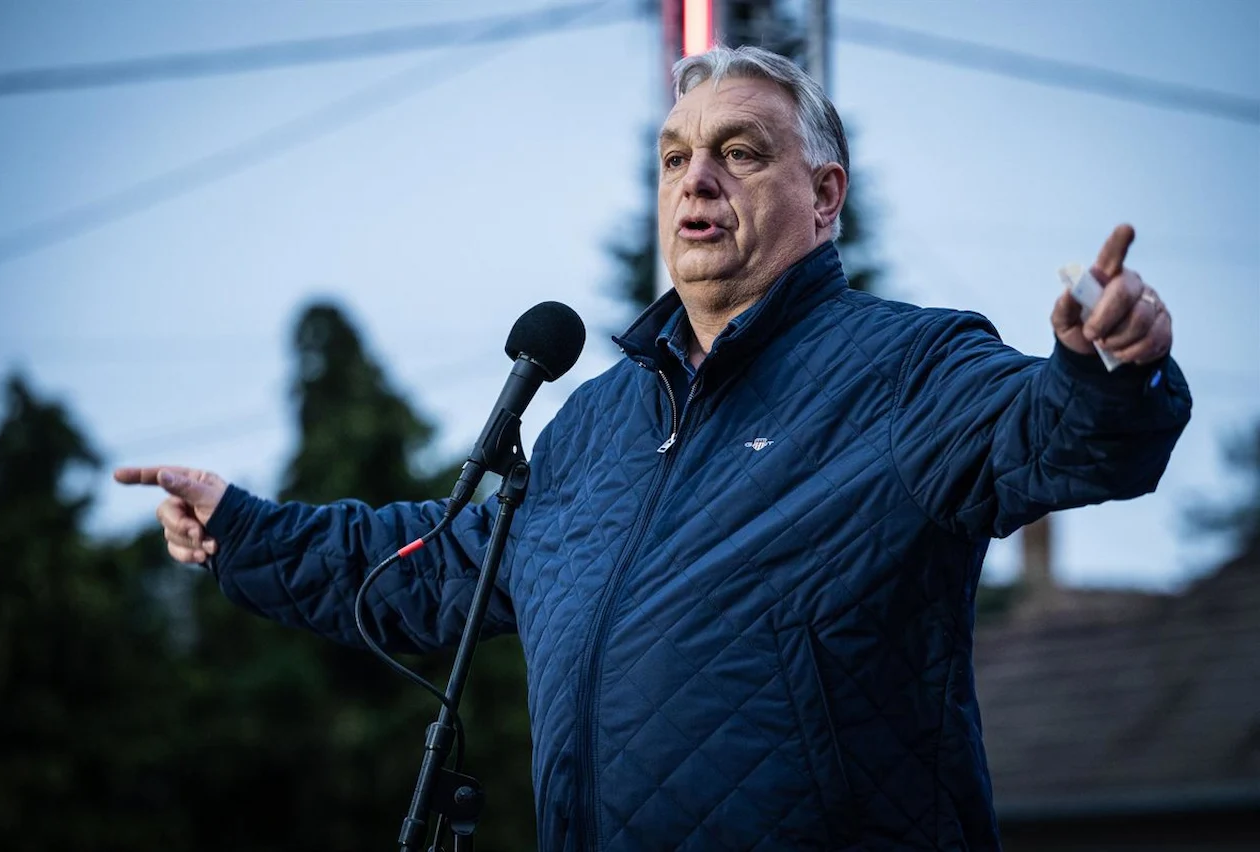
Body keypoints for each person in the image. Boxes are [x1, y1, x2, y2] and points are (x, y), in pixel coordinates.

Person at [116, 46, 1190, 852]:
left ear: (824, 199)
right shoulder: (593, 424)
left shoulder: (904, 367)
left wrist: (1108, 368)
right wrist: (243, 527)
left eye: (738, 152)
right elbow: (437, 563)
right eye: (675, 156)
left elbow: (1056, 437)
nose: (696, 181)